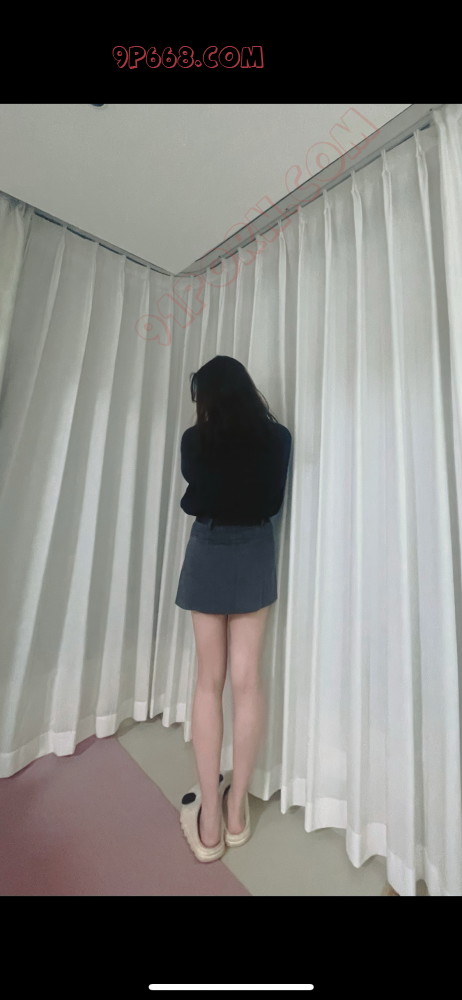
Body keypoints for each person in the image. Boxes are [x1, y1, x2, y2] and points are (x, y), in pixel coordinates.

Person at [175, 355, 292, 862]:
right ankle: (237, 813)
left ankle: (209, 826)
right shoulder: (279, 438)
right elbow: (272, 499)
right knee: (247, 681)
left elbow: (198, 488)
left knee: (209, 681)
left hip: (209, 546)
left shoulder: (194, 441)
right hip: (255, 550)